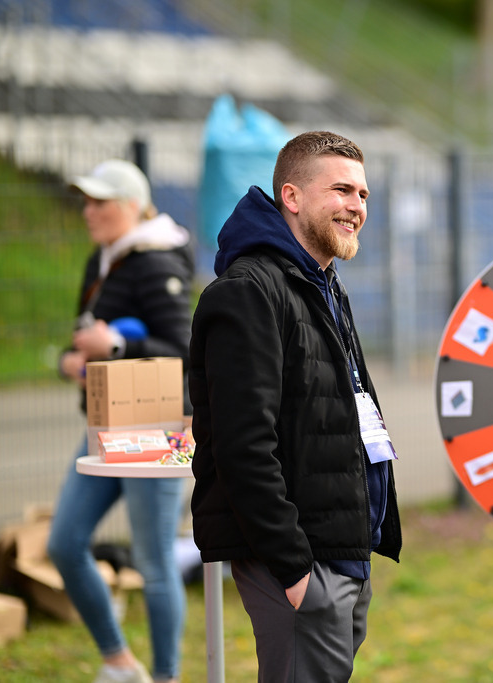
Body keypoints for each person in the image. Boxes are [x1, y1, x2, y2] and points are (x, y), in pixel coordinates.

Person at [189, 131, 402, 682]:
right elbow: (242, 446)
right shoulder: (249, 292)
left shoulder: (321, 283)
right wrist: (294, 568)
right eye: (341, 190)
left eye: (363, 194)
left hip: (343, 548)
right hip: (303, 560)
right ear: (292, 196)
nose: (356, 206)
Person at [50, 159, 193, 683]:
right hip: (107, 424)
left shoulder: (156, 262)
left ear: (131, 206)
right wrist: (74, 358)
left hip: (159, 426)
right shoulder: (104, 259)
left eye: (99, 202)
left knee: (154, 566)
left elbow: (183, 349)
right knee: (64, 544)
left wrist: (117, 344)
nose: (88, 211)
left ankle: (165, 677)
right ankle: (119, 661)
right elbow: (86, 332)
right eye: (85, 201)